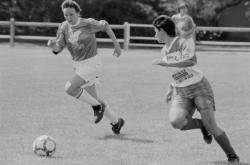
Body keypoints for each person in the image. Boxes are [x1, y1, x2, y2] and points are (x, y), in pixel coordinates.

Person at [151, 15, 239, 163]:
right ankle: (202, 125)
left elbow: (191, 61)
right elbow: (175, 72)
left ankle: (232, 155)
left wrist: (165, 64)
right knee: (176, 121)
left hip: (199, 87)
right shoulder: (163, 51)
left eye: (155, 31)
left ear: (163, 31)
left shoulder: (182, 41)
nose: (154, 35)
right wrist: (170, 88)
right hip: (181, 91)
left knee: (213, 126)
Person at [47, 0, 124, 135]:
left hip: (92, 63)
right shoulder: (64, 27)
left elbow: (105, 25)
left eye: (71, 14)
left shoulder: (87, 23)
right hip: (78, 65)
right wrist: (52, 46)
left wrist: (117, 45)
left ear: (77, 12)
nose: (69, 18)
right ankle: (116, 121)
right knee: (94, 98)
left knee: (70, 88)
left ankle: (96, 107)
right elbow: (58, 48)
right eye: (66, 15)